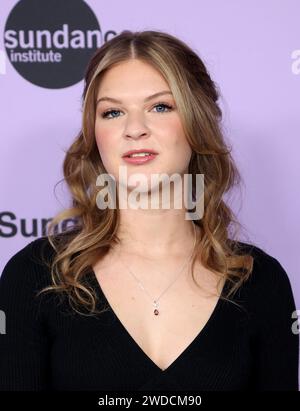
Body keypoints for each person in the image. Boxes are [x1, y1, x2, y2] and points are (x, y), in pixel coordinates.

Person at [0, 30, 298, 391]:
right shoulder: (35, 277)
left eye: (160, 107)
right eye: (112, 112)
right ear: (94, 134)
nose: (134, 129)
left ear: (197, 121)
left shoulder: (260, 281)